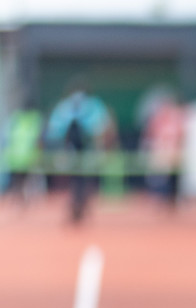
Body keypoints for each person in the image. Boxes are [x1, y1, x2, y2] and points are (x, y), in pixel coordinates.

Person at [46, 80, 115, 225]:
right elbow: (104, 127)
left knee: (78, 180)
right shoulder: (91, 106)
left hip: (79, 150)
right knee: (82, 180)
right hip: (79, 151)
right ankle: (78, 207)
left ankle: (79, 207)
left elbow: (55, 130)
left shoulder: (67, 106)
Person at [2, 101, 43, 208]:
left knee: (21, 181)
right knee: (23, 181)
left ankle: (22, 200)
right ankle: (21, 200)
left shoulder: (19, 121)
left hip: (19, 157)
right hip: (22, 158)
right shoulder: (32, 121)